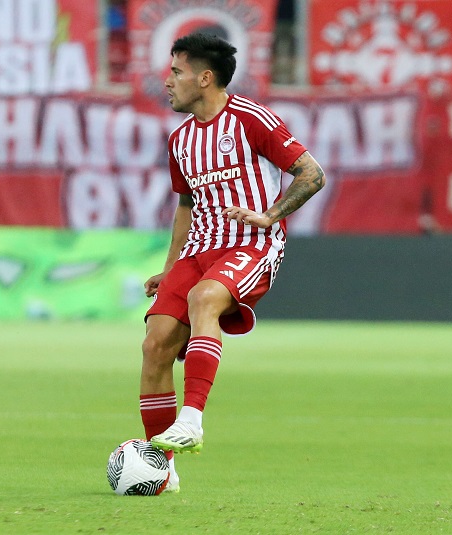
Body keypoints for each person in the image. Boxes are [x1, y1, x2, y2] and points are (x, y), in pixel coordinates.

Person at [139, 32, 326, 492]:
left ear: (205, 78)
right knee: (156, 344)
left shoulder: (251, 119)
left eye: (176, 72)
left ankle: (191, 419)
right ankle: (162, 471)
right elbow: (186, 206)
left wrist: (271, 215)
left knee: (206, 298)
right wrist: (170, 267)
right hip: (197, 250)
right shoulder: (180, 139)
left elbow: (312, 173)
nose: (167, 81)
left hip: (251, 244)